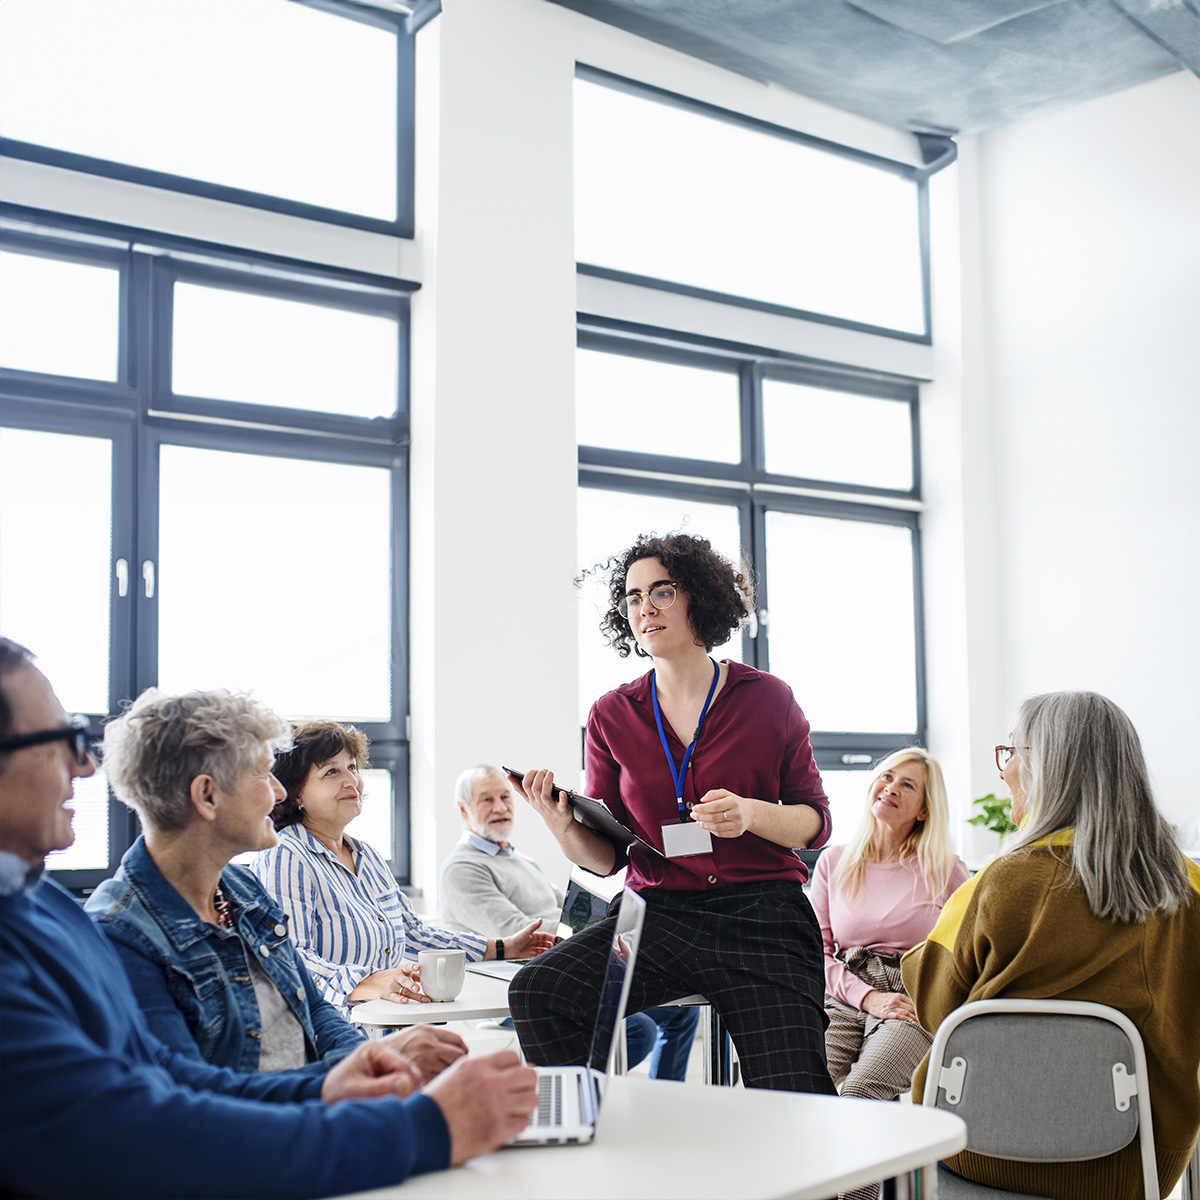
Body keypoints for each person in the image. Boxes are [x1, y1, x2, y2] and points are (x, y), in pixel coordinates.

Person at [0, 638, 538, 1199]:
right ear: (207, 796)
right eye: (265, 774)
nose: (84, 767)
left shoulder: (57, 905)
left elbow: (167, 1073)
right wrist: (422, 1125)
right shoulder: (116, 927)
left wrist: (350, 1072)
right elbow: (157, 1125)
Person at [509, 532, 836, 1094]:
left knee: (796, 1094)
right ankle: (589, 1142)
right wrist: (562, 825)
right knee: (539, 991)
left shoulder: (768, 699)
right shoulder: (612, 714)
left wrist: (751, 815)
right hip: (658, 916)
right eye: (633, 598)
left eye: (662, 591)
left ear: (700, 600)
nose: (645, 608)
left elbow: (815, 821)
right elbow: (609, 856)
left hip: (760, 914)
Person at [902, 691, 1200, 1200]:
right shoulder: (1187, 886)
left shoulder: (997, 882)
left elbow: (936, 1007)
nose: (1004, 770)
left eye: (1011, 752)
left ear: (1047, 767)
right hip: (1135, 1163)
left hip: (977, 1150)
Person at [84, 688, 464, 1083]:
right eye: (265, 775)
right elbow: (192, 1098)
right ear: (207, 795)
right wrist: (341, 1084)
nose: (281, 792)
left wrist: (377, 1061)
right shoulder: (122, 934)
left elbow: (314, 1009)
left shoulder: (242, 892)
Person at [252, 721, 555, 1015]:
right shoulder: (285, 854)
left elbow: (412, 934)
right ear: (295, 793)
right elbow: (291, 959)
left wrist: (504, 948)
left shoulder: (365, 855)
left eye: (352, 767)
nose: (352, 781)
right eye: (332, 771)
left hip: (381, 1025)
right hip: (326, 1036)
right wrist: (368, 982)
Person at [440, 764, 699, 1081]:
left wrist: (602, 922)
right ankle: (579, 1094)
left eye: (505, 797)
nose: (500, 807)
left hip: (562, 957)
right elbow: (521, 935)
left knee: (681, 1012)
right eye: (486, 800)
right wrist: (593, 931)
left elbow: (567, 911)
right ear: (463, 810)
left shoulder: (522, 860)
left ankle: (665, 1098)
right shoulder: (462, 869)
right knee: (638, 1029)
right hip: (520, 981)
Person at [810, 747, 968, 1200]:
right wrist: (865, 997)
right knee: (800, 1093)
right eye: (887, 777)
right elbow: (816, 954)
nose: (892, 788)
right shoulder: (833, 862)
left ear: (923, 811)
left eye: (908, 785)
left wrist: (934, 1001)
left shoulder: (945, 870)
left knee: (860, 1097)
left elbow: (964, 954)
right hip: (846, 990)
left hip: (912, 998)